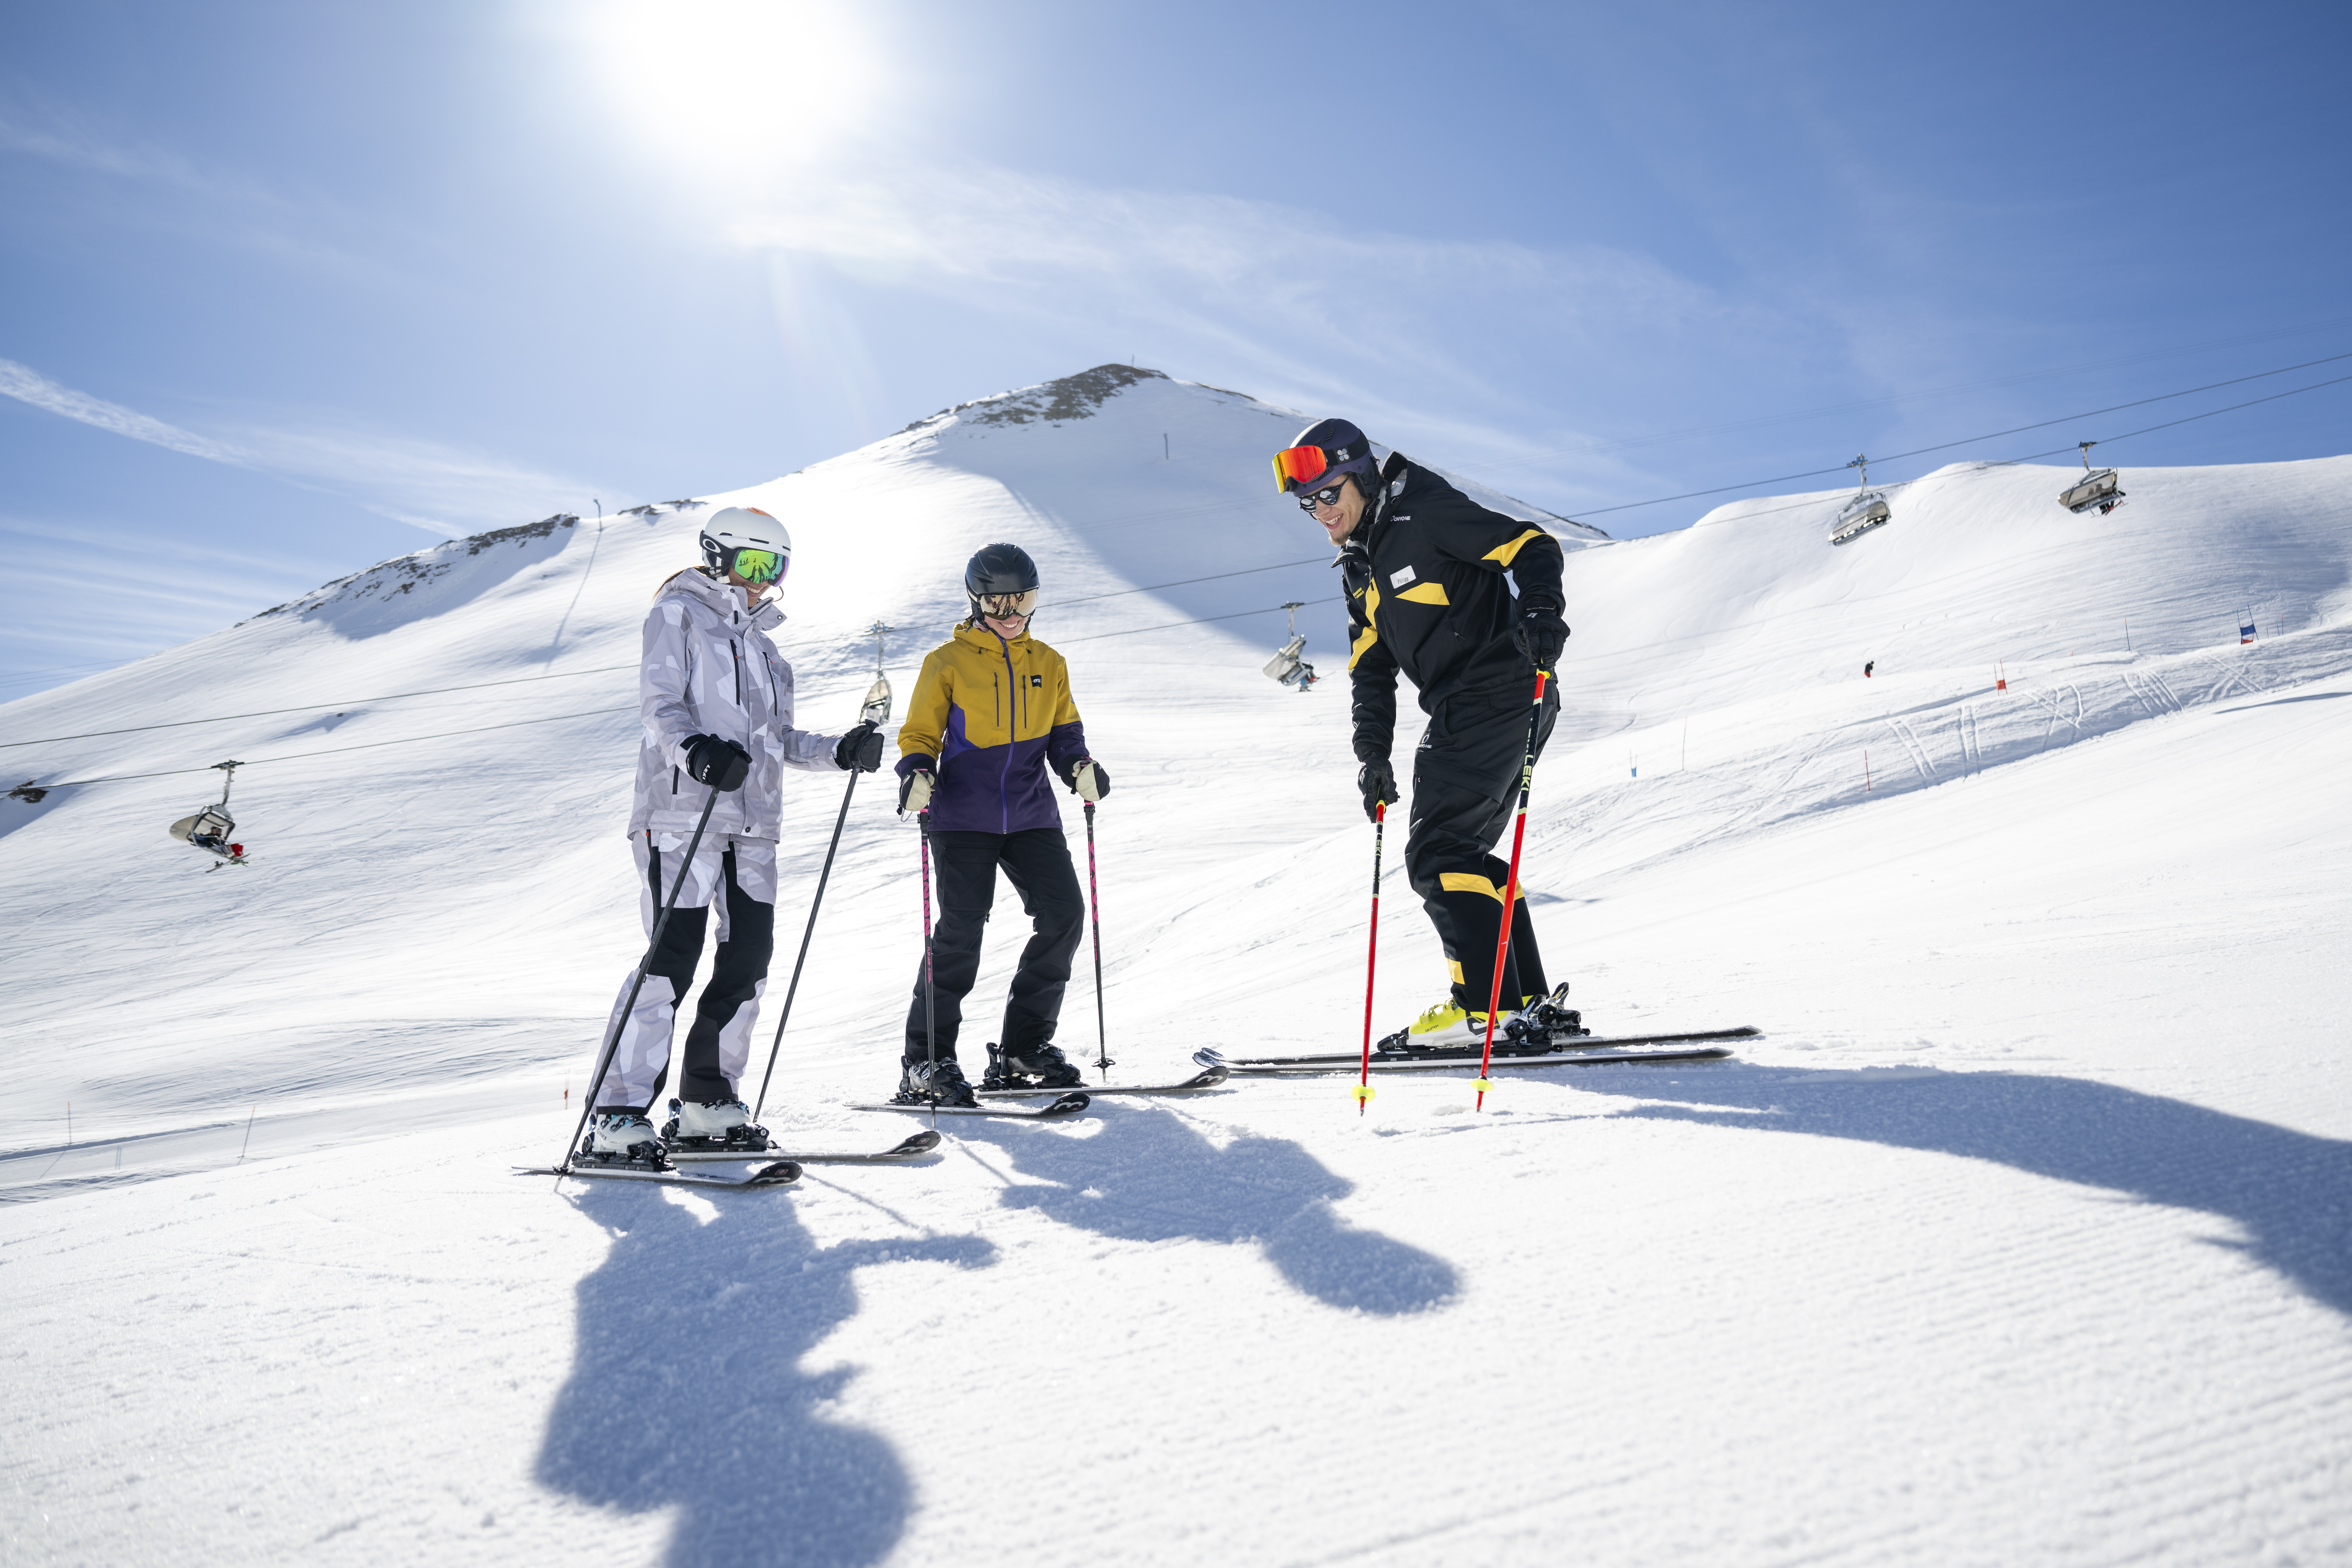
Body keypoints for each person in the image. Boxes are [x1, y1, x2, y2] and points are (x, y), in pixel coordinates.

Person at [585, 506, 885, 1160]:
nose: (761, 580)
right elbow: (659, 706)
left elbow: (777, 741)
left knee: (748, 961)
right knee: (672, 957)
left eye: (773, 567)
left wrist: (840, 750)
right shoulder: (677, 615)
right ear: (716, 557)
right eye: (751, 564)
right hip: (681, 816)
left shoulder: (768, 653)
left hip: (753, 828)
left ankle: (707, 1099)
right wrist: (695, 751)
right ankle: (616, 1111)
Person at [1272, 418, 1576, 1052]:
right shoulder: (1359, 567)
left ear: (1358, 475)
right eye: (1309, 504)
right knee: (1464, 856)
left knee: (1437, 856)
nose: (1320, 512)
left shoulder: (1422, 510)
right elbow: (1370, 670)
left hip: (1497, 688)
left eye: (1328, 494)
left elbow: (1531, 545)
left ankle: (1480, 1009)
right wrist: (1372, 758)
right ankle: (1521, 1004)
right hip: (1483, 705)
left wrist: (1543, 606)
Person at [891, 543, 1109, 1106]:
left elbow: (1065, 737)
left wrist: (1080, 766)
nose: (1011, 613)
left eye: (1024, 599)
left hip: (1031, 812)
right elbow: (919, 735)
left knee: (1063, 915)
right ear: (976, 602)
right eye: (998, 602)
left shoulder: (1049, 662)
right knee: (962, 928)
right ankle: (926, 1061)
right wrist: (917, 771)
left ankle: (1022, 1049)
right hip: (963, 816)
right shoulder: (947, 662)